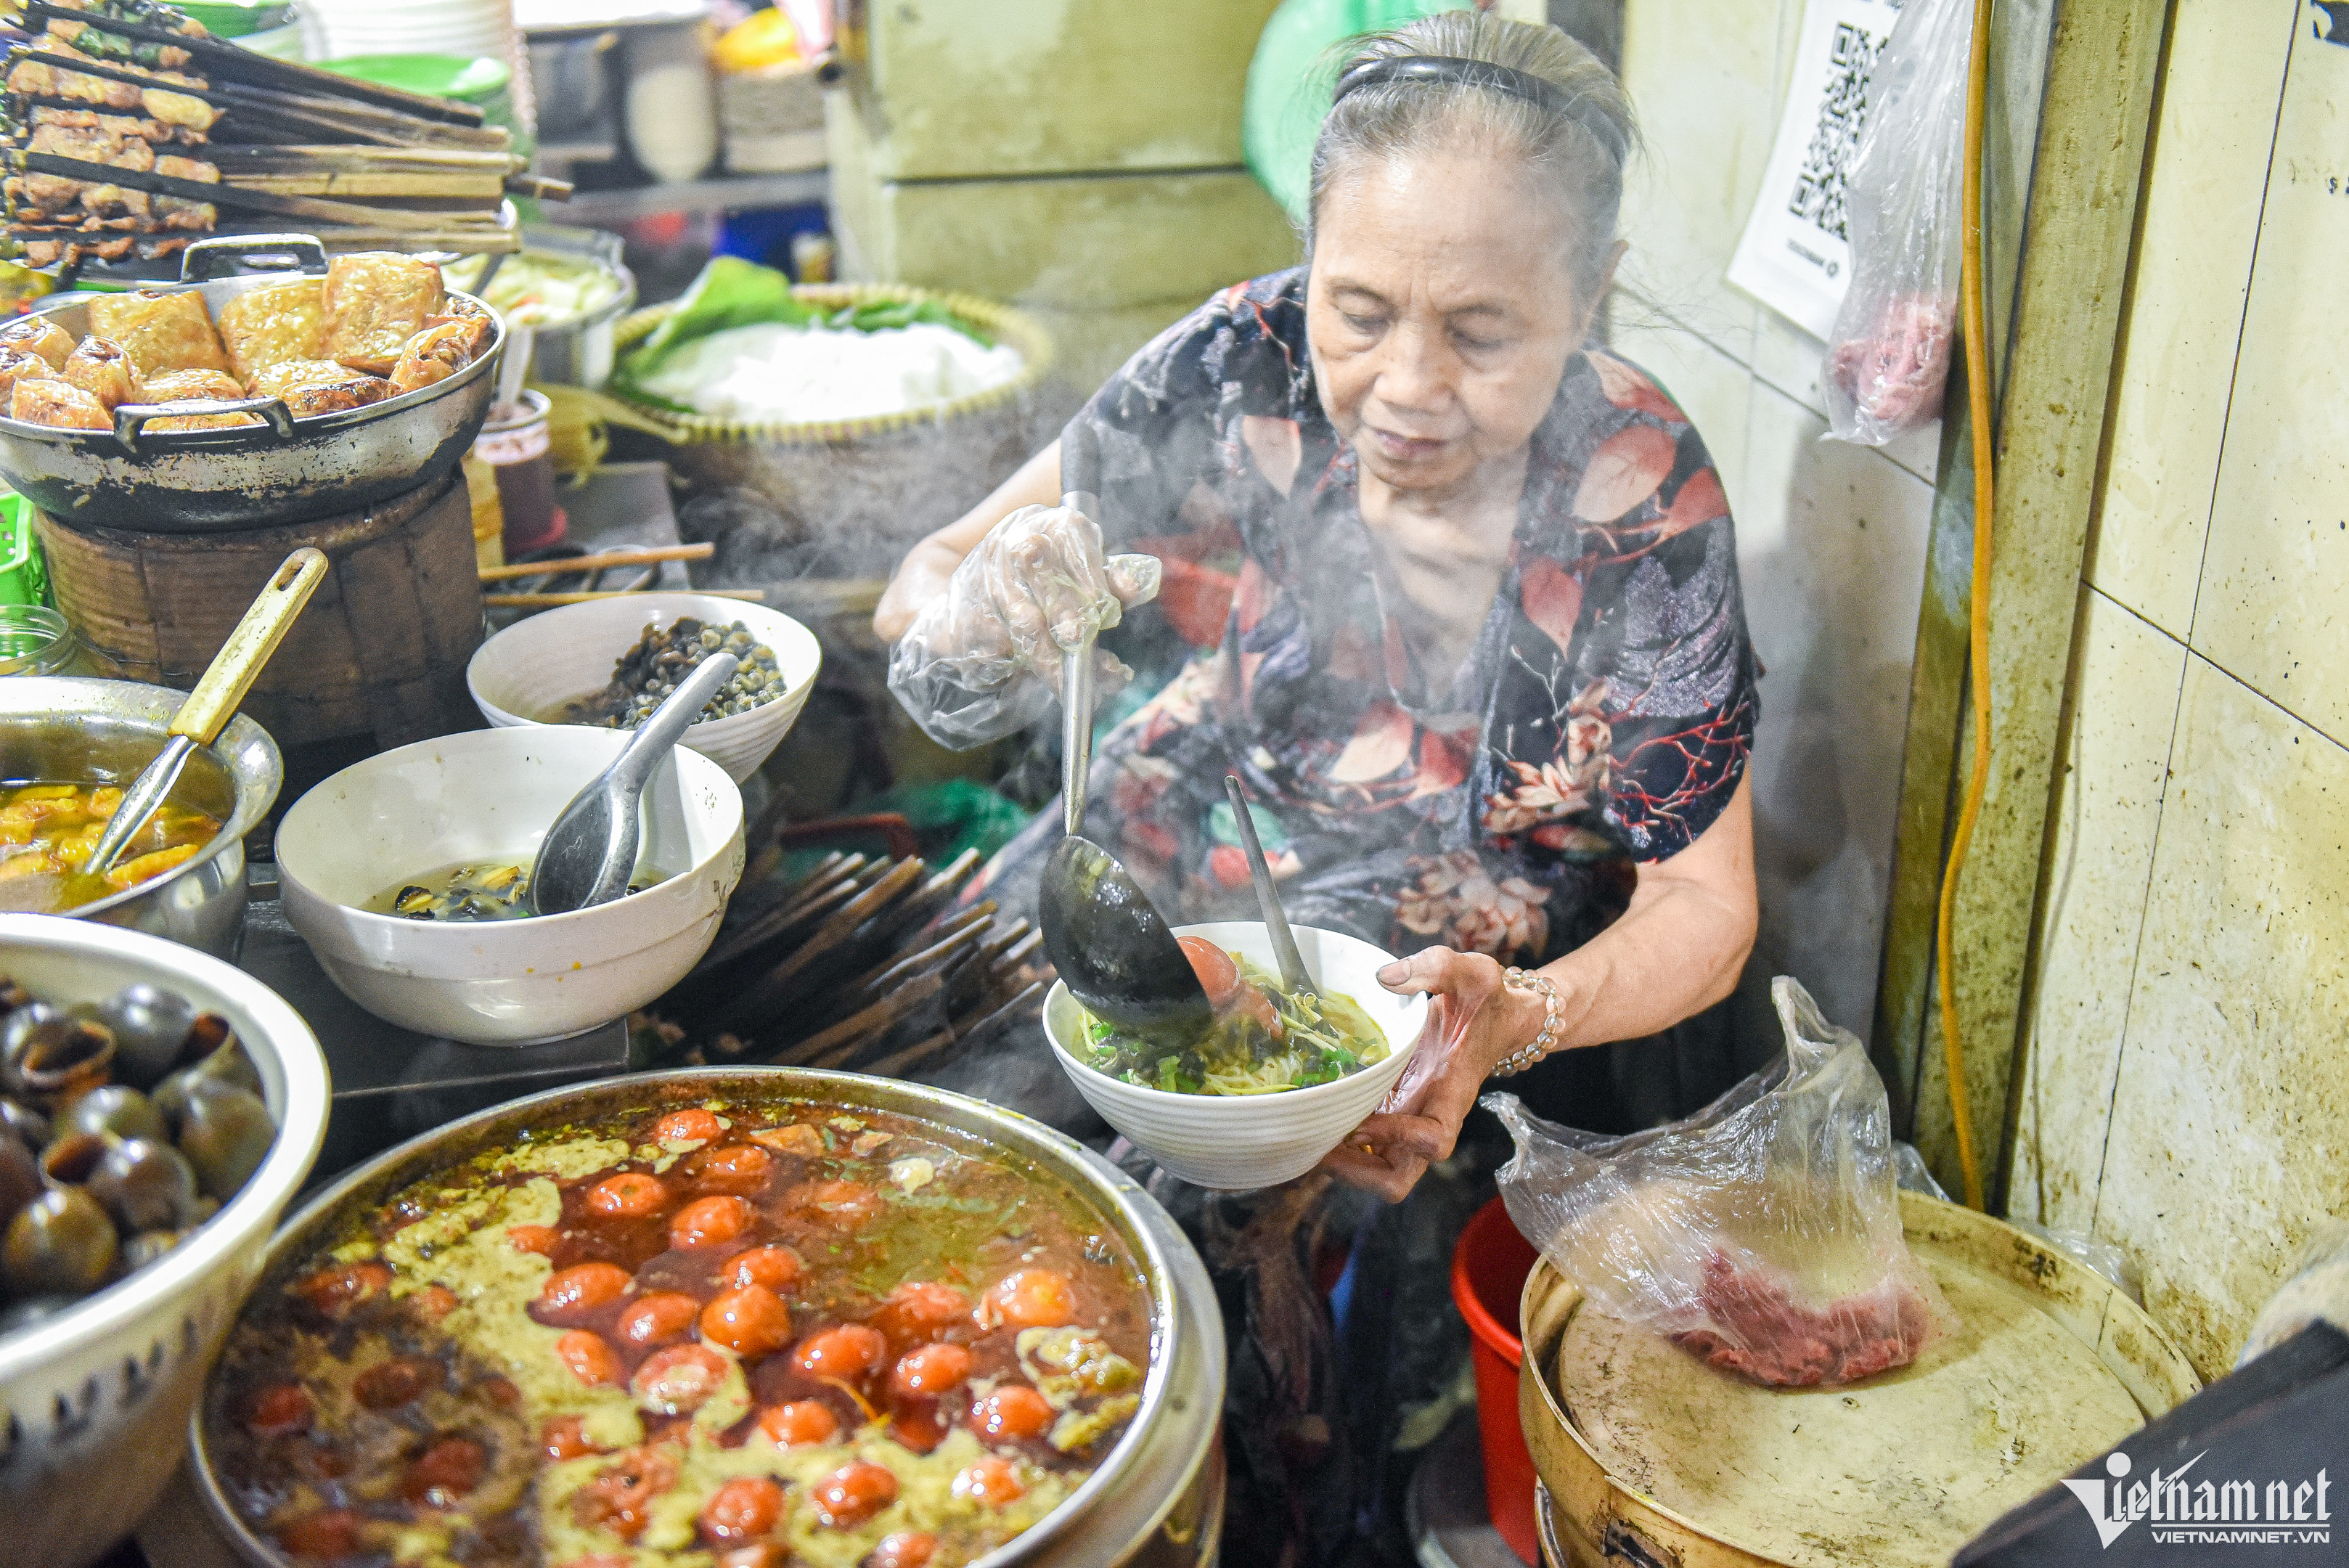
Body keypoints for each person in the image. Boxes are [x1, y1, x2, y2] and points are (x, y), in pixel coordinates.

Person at [878, 15, 1763, 1557]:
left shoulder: (1638, 489)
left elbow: (1706, 905)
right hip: (1196, 811)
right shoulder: (1237, 356)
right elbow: (921, 588)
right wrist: (990, 597)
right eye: (1359, 310)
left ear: (1590, 294)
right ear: (1310, 260)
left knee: (1233, 1209)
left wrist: (1522, 1016)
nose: (1405, 385)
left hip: (1465, 929)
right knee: (926, 1096)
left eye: (1480, 333)